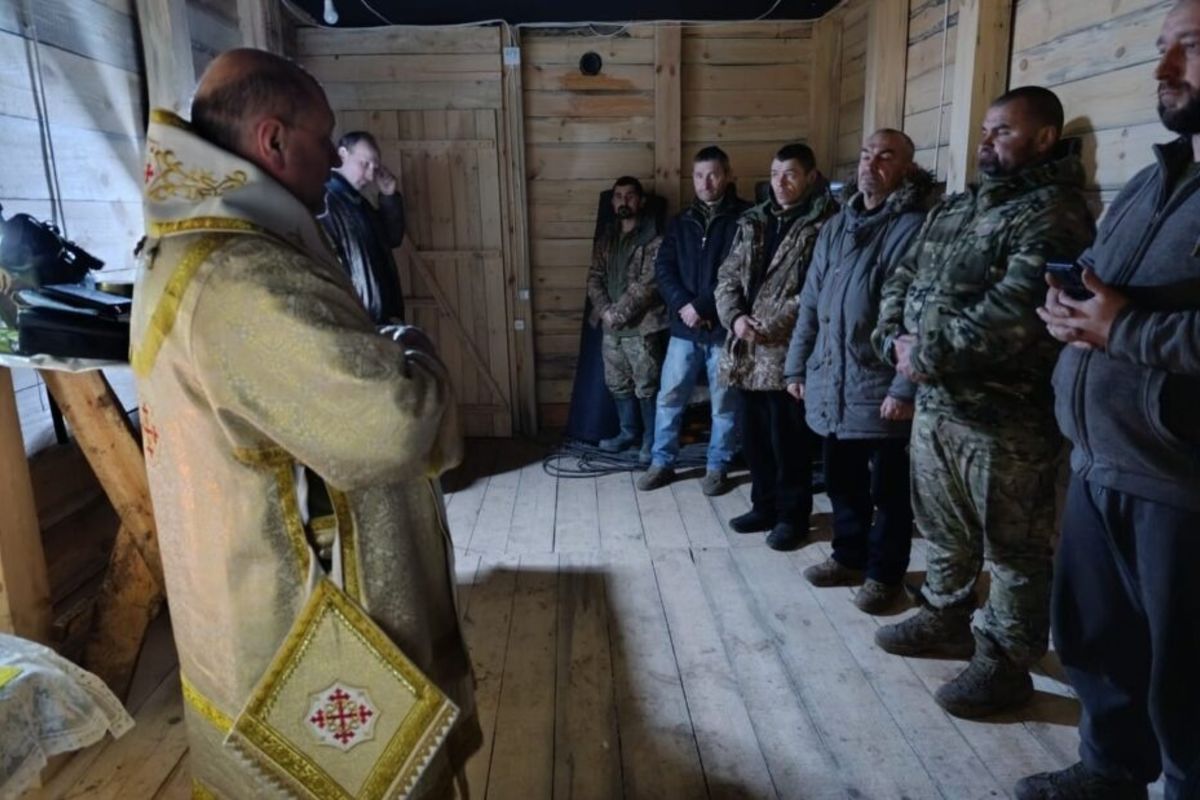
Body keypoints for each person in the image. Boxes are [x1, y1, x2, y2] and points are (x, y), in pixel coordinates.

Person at [130, 49, 479, 798]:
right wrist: (418, 355)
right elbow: (395, 423)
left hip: (231, 584)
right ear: (274, 140)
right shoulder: (242, 274)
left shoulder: (189, 244)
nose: (332, 159)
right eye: (324, 140)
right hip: (305, 599)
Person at [1016, 2, 1200, 797]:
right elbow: (1095, 274)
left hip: (1181, 480)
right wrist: (1066, 311)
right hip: (1099, 457)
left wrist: (1122, 328)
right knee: (1096, 643)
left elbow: (1132, 323)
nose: (1162, 70)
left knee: (1188, 680)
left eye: (1188, 49)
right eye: (1160, 49)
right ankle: (1109, 771)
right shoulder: (1156, 178)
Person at [871, 86, 1095, 719]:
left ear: (1045, 138)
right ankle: (944, 615)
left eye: (1002, 131)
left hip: (1008, 419)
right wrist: (893, 338)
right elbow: (901, 278)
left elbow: (1020, 310)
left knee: (1014, 548)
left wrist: (926, 354)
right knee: (944, 528)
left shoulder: (1055, 212)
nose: (985, 142)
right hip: (939, 406)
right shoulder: (958, 208)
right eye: (984, 131)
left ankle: (1005, 662)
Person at [785, 129, 931, 613]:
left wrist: (903, 388)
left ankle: (885, 575)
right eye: (867, 152)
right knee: (842, 481)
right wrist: (797, 365)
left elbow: (919, 316)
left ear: (906, 169)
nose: (871, 162)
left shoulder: (913, 226)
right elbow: (810, 303)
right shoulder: (838, 224)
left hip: (879, 387)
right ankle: (847, 555)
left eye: (886, 156)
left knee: (888, 492)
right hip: (831, 381)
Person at [715, 143, 836, 551]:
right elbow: (727, 276)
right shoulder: (754, 220)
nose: (780, 184)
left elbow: (815, 291)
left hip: (787, 354)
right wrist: (734, 318)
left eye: (790, 175)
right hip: (745, 353)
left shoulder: (825, 223)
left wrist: (766, 325)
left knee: (790, 444)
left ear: (810, 177)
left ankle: (792, 516)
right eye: (774, 175)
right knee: (755, 440)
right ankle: (763, 505)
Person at [637, 146, 751, 495]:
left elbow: (741, 270)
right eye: (699, 175)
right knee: (670, 397)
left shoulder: (746, 218)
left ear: (728, 175)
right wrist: (684, 304)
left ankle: (717, 466)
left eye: (713, 174)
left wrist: (703, 306)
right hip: (683, 329)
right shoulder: (681, 221)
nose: (706, 182)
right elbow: (664, 268)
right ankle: (662, 462)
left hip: (722, 328)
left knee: (725, 403)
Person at [585, 176, 667, 464]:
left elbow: (648, 285)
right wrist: (606, 311)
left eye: (630, 196)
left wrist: (616, 314)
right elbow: (594, 277)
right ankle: (628, 432)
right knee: (617, 383)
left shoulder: (654, 238)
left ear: (640, 201)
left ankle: (650, 440)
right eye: (618, 196)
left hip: (642, 328)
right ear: (612, 202)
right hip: (612, 329)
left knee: (647, 385)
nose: (624, 201)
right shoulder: (607, 237)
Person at [319, 130, 407, 324]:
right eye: (364, 163)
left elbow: (392, 238)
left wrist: (389, 197)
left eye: (375, 168)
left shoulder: (357, 202)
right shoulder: (326, 202)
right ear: (342, 154)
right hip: (357, 321)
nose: (370, 175)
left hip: (376, 320)